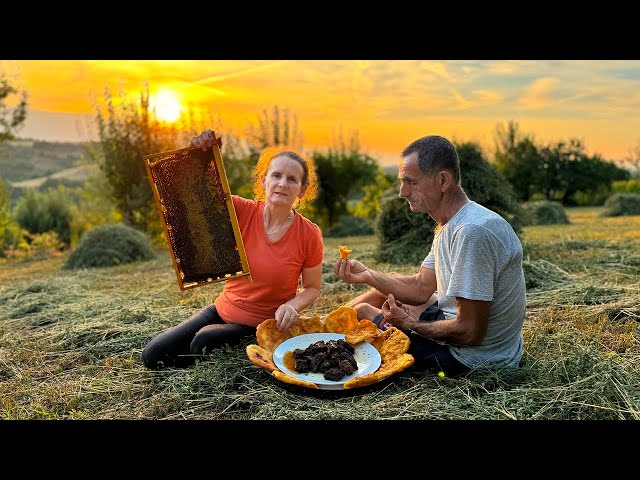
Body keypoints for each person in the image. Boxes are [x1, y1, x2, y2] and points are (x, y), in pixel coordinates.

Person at [333, 135, 526, 377]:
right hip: (465, 334)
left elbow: (469, 331)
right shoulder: (452, 224)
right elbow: (421, 287)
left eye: (411, 182)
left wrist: (410, 325)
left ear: (443, 180)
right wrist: (368, 275)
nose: (402, 192)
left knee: (363, 311)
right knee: (388, 284)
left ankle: (319, 338)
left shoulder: (471, 233)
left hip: (473, 359)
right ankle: (320, 326)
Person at [142, 129, 323, 369]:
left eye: (292, 179)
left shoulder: (309, 234)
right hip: (222, 309)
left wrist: (291, 306)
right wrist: (198, 156)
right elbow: (194, 196)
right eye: (276, 175)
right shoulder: (240, 210)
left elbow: (312, 288)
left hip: (263, 325)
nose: (282, 183)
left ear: (301, 189)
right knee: (153, 355)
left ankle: (223, 350)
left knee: (205, 340)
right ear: (264, 181)